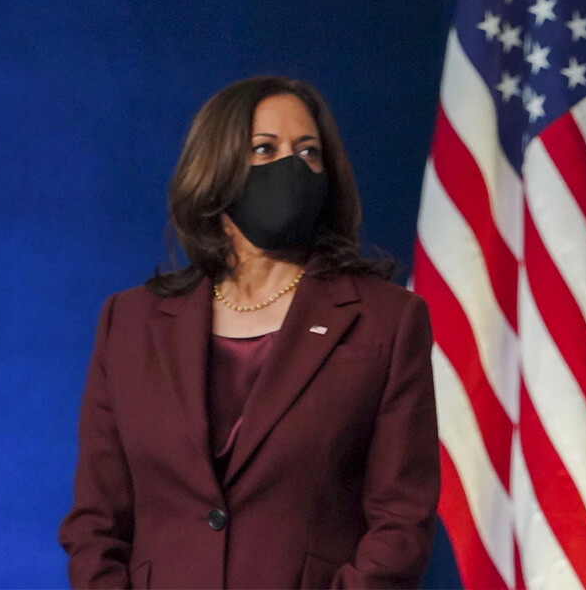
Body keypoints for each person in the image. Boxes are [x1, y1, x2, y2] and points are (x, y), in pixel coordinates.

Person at [59, 77, 439, 588]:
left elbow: (401, 521)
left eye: (308, 152)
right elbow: (96, 520)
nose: (292, 167)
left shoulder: (387, 319)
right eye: (264, 149)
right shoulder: (129, 322)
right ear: (214, 169)